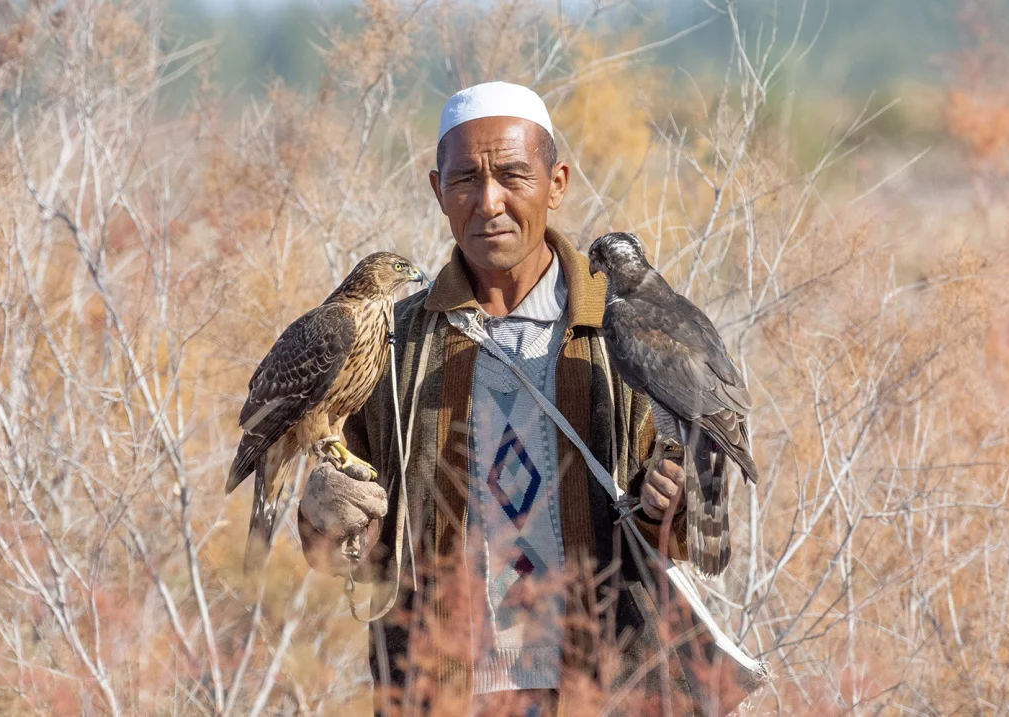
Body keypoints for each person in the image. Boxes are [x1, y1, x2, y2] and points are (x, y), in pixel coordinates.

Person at [297, 81, 765, 717]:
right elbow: (354, 546)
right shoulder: (391, 341)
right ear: (438, 191)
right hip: (444, 691)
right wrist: (328, 513)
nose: (489, 202)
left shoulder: (616, 328)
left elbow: (680, 523)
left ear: (558, 182)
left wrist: (672, 504)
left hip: (607, 689)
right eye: (466, 180)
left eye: (513, 175)